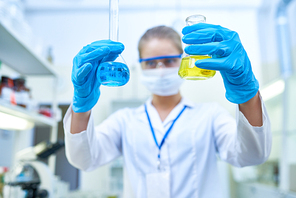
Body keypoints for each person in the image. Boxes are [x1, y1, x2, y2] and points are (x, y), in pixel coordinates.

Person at [63, 24, 271, 198]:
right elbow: (84, 160)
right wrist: (82, 106)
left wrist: (247, 94)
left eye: (169, 60)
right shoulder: (124, 120)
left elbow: (251, 156)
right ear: (141, 67)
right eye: (151, 63)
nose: (160, 70)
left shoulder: (210, 116)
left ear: (182, 60)